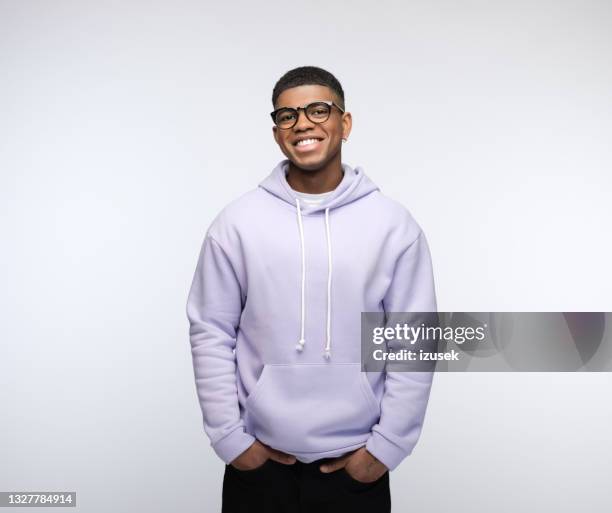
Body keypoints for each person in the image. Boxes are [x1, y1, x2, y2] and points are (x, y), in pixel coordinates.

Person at [186, 65, 437, 512]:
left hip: (357, 467)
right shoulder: (237, 223)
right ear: (277, 131)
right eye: (288, 116)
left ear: (345, 123)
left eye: (319, 110)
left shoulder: (393, 226)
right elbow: (210, 330)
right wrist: (230, 439)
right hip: (258, 467)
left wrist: (386, 449)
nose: (302, 123)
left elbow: (412, 338)